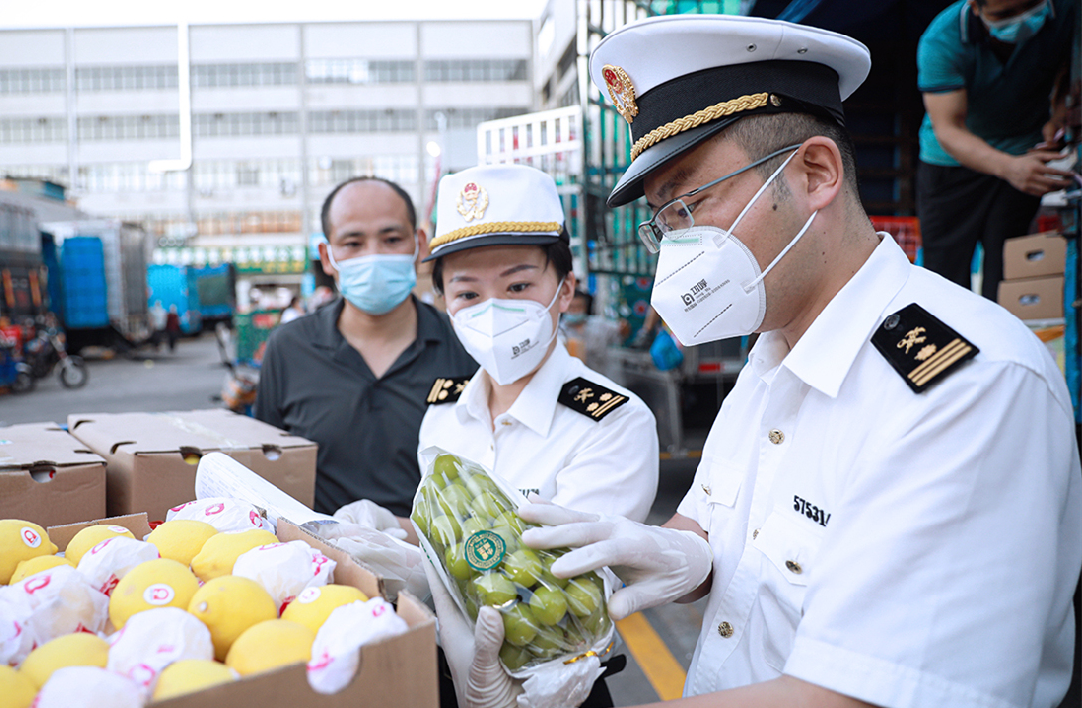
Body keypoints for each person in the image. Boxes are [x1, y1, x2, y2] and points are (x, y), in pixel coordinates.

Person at [439, 15, 1082, 708]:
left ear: (815, 173)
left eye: (690, 204)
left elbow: (851, 696)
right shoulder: (772, 354)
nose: (673, 251)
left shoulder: (966, 388)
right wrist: (674, 553)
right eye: (662, 224)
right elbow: (714, 532)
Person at [416, 164, 659, 708]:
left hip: (558, 687)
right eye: (467, 293)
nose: (492, 310)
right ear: (445, 305)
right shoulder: (442, 411)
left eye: (519, 286)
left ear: (565, 290)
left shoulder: (612, 422)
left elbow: (565, 594)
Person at [254, 176, 479, 517]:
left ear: (419, 243)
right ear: (327, 256)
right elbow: (268, 467)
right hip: (322, 561)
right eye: (353, 243)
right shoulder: (289, 348)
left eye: (391, 239)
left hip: (442, 559)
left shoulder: (466, 345)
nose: (373, 256)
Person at [916, 0, 1076, 299]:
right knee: (945, 273)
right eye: (1005, 15)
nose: (1023, 20)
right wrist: (1010, 167)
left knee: (1008, 267)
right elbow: (949, 128)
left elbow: (1070, 70)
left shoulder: (1067, 12)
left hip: (1023, 152)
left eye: (1030, 7)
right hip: (951, 162)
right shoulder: (942, 40)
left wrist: (1058, 112)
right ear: (976, 7)